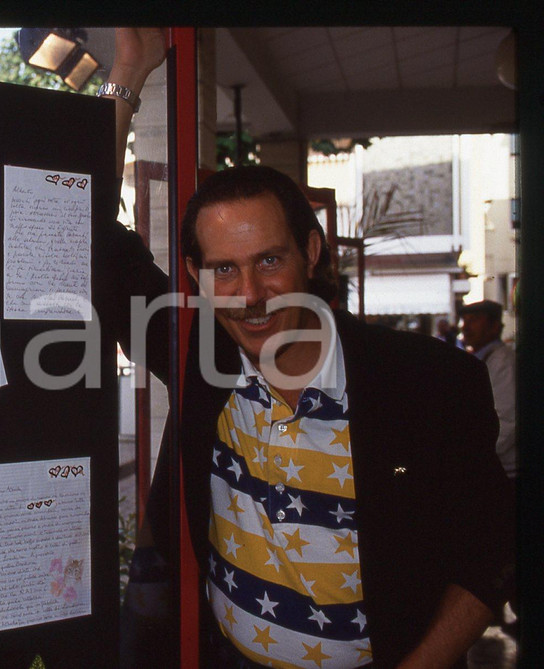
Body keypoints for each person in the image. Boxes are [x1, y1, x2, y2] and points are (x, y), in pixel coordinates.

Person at [102, 28, 515, 668]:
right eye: (224, 270)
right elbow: (83, 220)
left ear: (312, 253)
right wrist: (130, 69)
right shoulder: (194, 350)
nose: (250, 295)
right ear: (195, 275)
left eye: (269, 260)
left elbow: (489, 556)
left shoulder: (428, 382)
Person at [459, 300, 517, 478]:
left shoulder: (502, 362)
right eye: (465, 320)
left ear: (494, 327)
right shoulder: (483, 359)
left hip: (502, 470)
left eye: (474, 320)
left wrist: (474, 459)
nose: (466, 327)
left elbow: (507, 421)